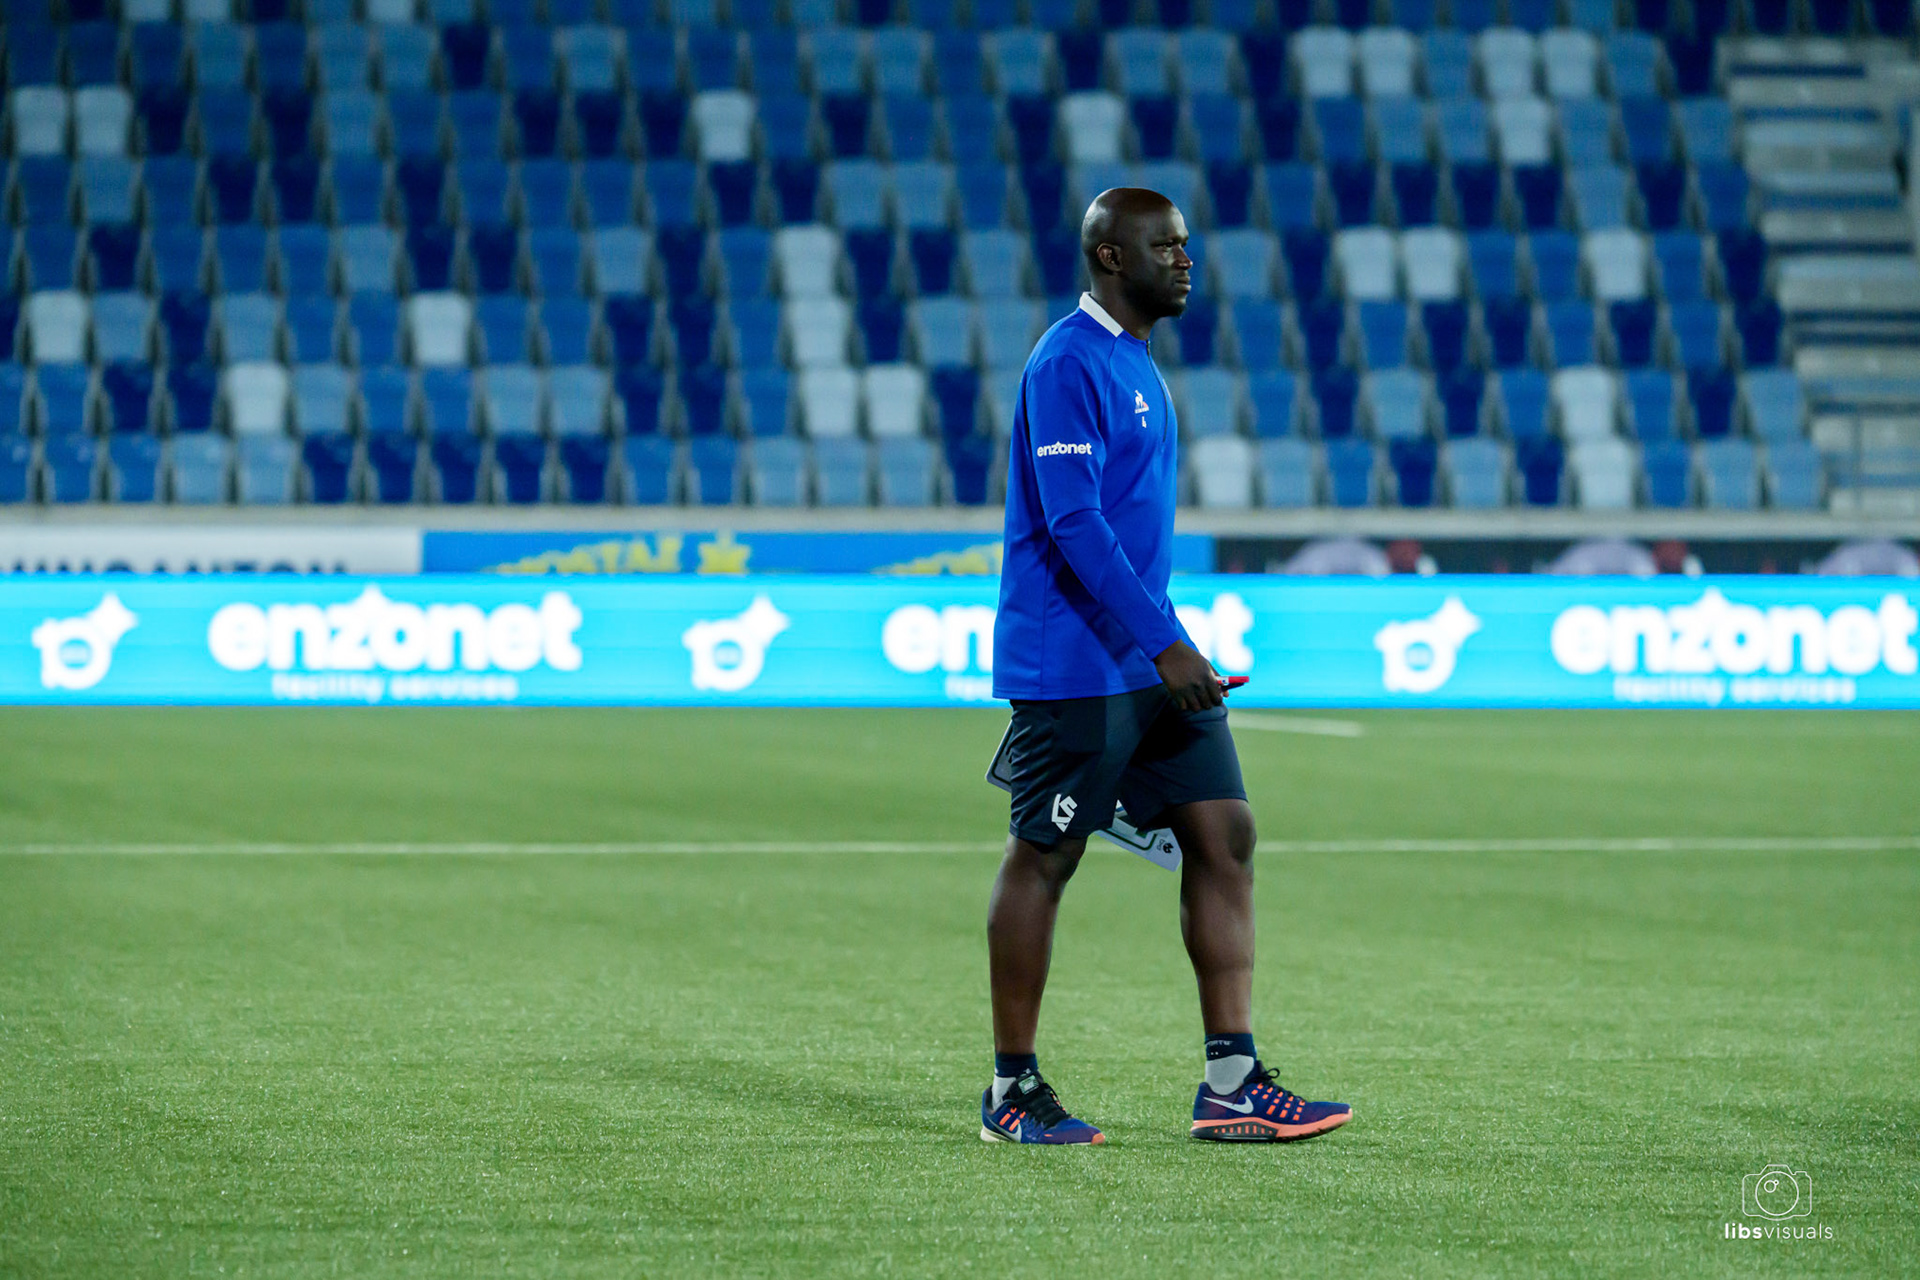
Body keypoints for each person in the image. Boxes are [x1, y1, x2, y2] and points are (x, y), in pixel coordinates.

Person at [979, 188, 1352, 1146]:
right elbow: (1073, 523)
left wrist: (1167, 643)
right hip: (1076, 664)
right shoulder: (1067, 362)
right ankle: (1009, 1091)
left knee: (1224, 834)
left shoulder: (1133, 361)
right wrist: (1165, 643)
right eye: (1165, 246)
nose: (1186, 260)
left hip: (1147, 655)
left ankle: (1231, 1081)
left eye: (1187, 243)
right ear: (1110, 257)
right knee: (1046, 856)